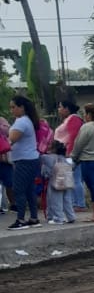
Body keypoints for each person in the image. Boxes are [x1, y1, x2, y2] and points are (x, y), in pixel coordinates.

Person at [6, 92, 42, 228]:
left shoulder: (21, 122)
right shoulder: (26, 120)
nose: (11, 110)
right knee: (29, 189)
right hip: (30, 159)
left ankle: (20, 219)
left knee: (18, 189)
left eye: (13, 107)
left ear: (21, 107)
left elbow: (11, 140)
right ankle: (33, 217)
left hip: (24, 160)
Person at [44, 140, 76, 225]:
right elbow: (73, 166)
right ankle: (71, 216)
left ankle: (58, 218)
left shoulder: (48, 158)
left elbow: (45, 172)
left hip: (55, 182)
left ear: (53, 149)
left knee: (55, 201)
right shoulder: (66, 159)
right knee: (67, 200)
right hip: (67, 181)